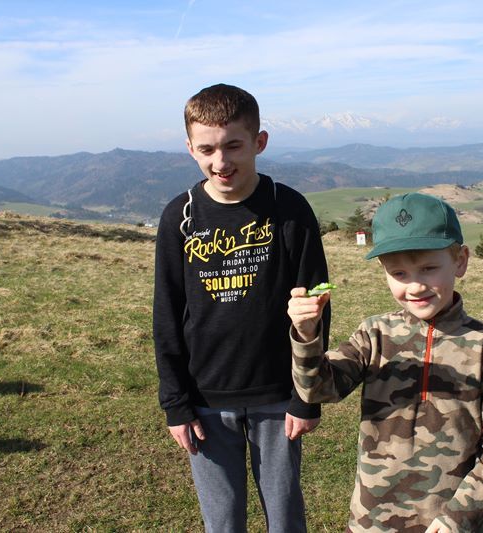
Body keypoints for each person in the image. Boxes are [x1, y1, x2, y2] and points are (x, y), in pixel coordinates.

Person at [288, 192, 483, 533]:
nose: (415, 286)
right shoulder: (374, 334)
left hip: (447, 524)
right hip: (371, 522)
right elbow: (318, 390)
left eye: (429, 268)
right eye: (399, 273)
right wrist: (307, 334)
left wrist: (459, 516)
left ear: (460, 261)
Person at [153, 83, 329, 532]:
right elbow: (167, 316)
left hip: (278, 396)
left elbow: (315, 310)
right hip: (205, 399)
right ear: (190, 148)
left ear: (259, 142)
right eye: (207, 149)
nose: (221, 161)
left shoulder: (289, 208)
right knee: (223, 521)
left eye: (233, 145)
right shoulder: (180, 216)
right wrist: (176, 404)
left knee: (285, 516)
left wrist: (306, 396)